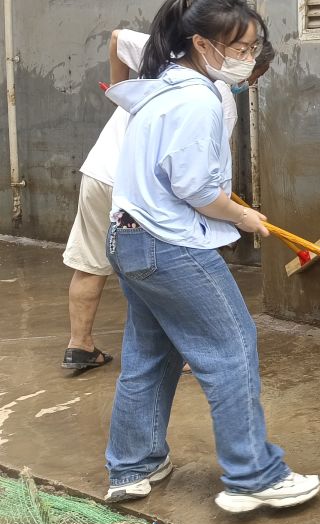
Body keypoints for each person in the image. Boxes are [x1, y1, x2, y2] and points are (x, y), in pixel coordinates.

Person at [103, 0, 318, 513]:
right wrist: (243, 216)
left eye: (251, 46)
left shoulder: (158, 91)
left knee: (150, 355)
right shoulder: (198, 99)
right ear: (201, 44)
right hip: (168, 243)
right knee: (232, 348)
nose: (247, 57)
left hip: (129, 239)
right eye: (239, 47)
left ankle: (133, 465)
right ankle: (253, 475)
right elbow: (195, 188)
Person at [61, 28, 273, 372]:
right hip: (145, 191)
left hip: (101, 173)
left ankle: (80, 345)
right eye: (253, 74)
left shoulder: (165, 59)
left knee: (90, 261)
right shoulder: (216, 100)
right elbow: (199, 179)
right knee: (172, 268)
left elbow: (117, 37)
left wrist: (118, 92)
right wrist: (237, 216)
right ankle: (192, 352)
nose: (249, 83)